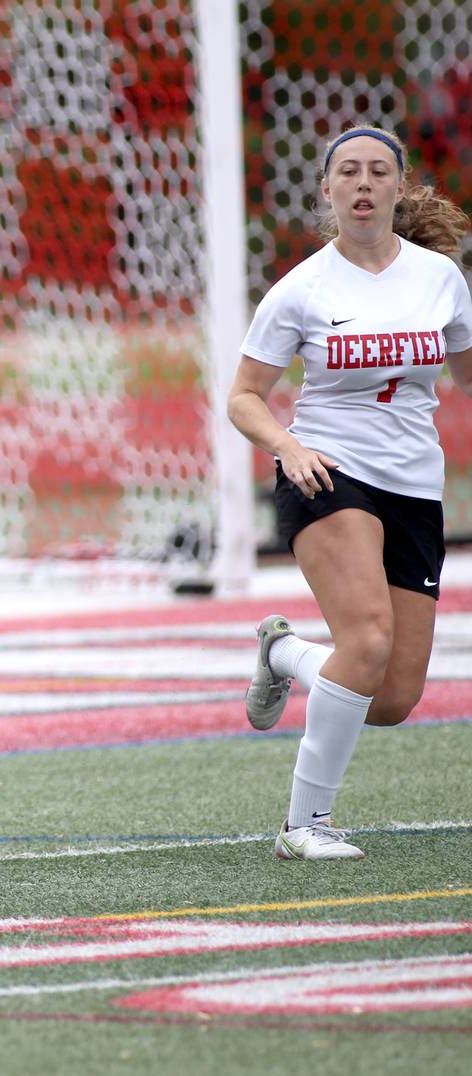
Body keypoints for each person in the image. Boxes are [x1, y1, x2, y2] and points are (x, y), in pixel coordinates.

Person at [229, 123, 472, 860]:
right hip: (327, 475)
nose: (362, 184)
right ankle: (304, 825)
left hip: (414, 488)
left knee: (391, 698)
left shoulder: (440, 277)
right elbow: (243, 397)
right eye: (348, 173)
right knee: (365, 639)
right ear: (328, 191)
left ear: (398, 189)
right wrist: (289, 447)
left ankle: (283, 655)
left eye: (377, 172)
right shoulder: (301, 289)